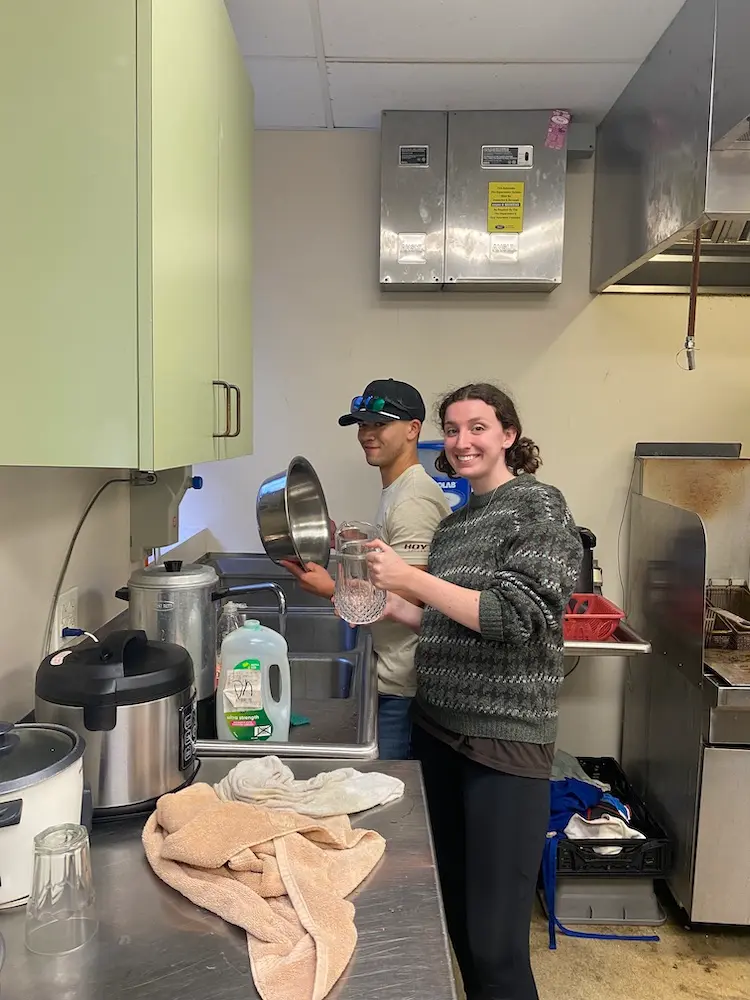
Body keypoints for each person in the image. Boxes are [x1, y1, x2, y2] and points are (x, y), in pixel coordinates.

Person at [365, 382, 582, 1000]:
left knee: (496, 943)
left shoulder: (538, 506)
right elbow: (444, 620)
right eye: (453, 429)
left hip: (502, 747)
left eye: (478, 427)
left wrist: (411, 579)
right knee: (456, 919)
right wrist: (373, 600)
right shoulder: (457, 525)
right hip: (440, 734)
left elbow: (518, 617)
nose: (463, 442)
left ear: (508, 435)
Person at [281, 378, 451, 759]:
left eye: (379, 424)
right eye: (362, 425)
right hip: (390, 675)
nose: (366, 434)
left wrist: (331, 589)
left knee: (391, 791)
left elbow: (414, 591)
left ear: (413, 429)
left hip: (402, 685)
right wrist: (343, 543)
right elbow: (391, 566)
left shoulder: (413, 500)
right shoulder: (398, 490)